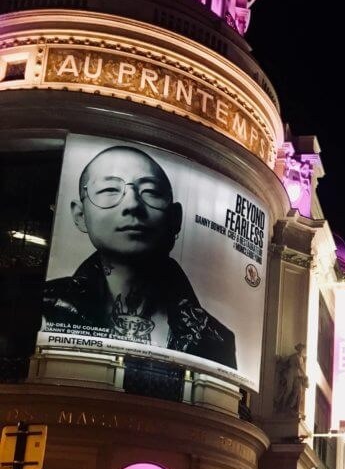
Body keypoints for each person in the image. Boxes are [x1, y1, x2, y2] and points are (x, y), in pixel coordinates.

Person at [42, 144, 237, 368]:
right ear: (79, 214)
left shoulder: (215, 339)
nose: (133, 204)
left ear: (175, 218)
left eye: (151, 192)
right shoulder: (49, 308)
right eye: (109, 190)